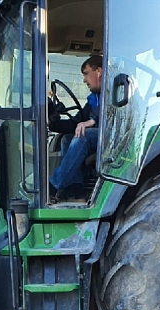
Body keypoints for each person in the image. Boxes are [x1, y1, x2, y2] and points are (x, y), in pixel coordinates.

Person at [48, 54, 103, 203]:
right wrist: (53, 123)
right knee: (67, 138)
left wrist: (92, 120)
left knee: (82, 135)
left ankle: (53, 185)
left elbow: (108, 106)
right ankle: (77, 190)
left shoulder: (114, 89)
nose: (84, 80)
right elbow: (77, 122)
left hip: (114, 136)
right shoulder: (94, 98)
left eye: (86, 74)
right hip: (98, 136)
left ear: (99, 71)